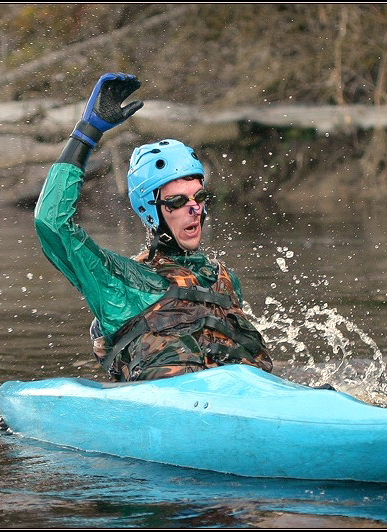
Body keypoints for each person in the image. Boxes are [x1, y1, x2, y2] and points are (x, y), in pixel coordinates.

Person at [34, 72, 273, 382]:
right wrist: (86, 135)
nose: (194, 208)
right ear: (150, 211)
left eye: (198, 197)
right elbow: (51, 223)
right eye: (176, 202)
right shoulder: (120, 283)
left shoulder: (222, 280)